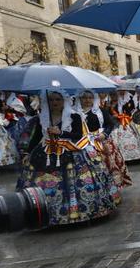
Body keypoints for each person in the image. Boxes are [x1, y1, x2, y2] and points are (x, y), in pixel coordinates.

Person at [17, 91, 117, 227]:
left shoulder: (74, 116)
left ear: (64, 101)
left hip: (71, 153)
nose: (55, 103)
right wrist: (28, 152)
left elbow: (78, 135)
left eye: (58, 100)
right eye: (51, 100)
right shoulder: (42, 117)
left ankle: (79, 211)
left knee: (73, 182)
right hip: (46, 153)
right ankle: (47, 212)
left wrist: (61, 133)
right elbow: (36, 137)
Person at [78, 90, 132, 190]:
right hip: (83, 143)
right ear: (80, 99)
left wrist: (104, 134)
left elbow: (110, 124)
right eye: (84, 98)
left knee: (108, 166)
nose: (87, 100)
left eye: (90, 98)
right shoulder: (75, 113)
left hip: (100, 141)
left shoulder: (100, 111)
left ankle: (112, 190)